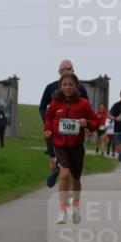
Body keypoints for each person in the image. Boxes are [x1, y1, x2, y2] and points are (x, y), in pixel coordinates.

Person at [44, 73, 98, 224]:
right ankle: (62, 210)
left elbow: (95, 121)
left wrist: (86, 123)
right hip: (60, 145)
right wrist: (48, 129)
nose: (67, 87)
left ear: (76, 86)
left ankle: (75, 206)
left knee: (75, 179)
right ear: (61, 87)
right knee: (64, 174)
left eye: (70, 85)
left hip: (77, 146)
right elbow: (48, 118)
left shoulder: (83, 104)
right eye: (64, 85)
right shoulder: (55, 103)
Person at [39, 60, 89, 188]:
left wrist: (85, 122)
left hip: (74, 132)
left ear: (73, 70)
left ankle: (70, 188)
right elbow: (42, 107)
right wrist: (48, 122)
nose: (66, 71)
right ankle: (55, 171)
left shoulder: (80, 88)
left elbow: (87, 108)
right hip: (55, 130)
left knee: (71, 167)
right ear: (59, 72)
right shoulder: (50, 87)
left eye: (69, 68)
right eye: (63, 69)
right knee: (53, 157)